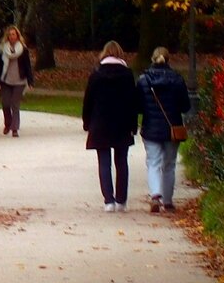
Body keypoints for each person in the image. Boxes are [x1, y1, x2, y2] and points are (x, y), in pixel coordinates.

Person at [82, 40, 139, 211]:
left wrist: (87, 122)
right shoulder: (127, 75)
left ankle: (109, 200)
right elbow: (132, 101)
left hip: (100, 122)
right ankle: (121, 200)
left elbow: (88, 100)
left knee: (104, 162)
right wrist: (133, 124)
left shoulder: (96, 74)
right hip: (121, 123)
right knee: (122, 162)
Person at [137, 47, 192, 215]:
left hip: (151, 128)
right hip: (172, 128)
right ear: (168, 60)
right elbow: (185, 106)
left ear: (152, 59)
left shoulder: (143, 80)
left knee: (153, 162)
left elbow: (138, 106)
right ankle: (168, 201)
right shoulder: (177, 80)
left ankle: (155, 195)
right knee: (169, 165)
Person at [0, 25, 33, 136]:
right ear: (7, 36)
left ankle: (14, 128)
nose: (12, 36)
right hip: (5, 80)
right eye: (10, 34)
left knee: (15, 105)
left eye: (14, 34)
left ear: (17, 36)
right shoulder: (2, 49)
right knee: (5, 103)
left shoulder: (23, 50)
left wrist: (30, 81)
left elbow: (27, 66)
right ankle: (8, 124)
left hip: (19, 81)